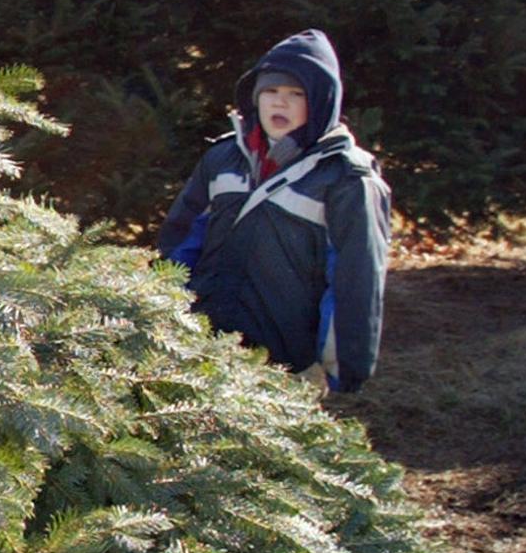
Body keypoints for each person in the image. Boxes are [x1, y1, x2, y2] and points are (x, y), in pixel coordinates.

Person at [156, 28, 391, 392]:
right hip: (199, 347)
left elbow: (355, 278)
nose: (279, 103)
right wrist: (160, 310)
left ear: (321, 102)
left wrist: (339, 366)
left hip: (283, 365)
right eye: (271, 91)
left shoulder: (345, 180)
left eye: (296, 94)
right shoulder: (223, 159)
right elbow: (182, 240)